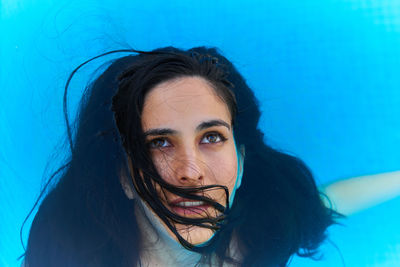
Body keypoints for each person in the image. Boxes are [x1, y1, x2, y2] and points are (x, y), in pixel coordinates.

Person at [21, 46, 399, 267]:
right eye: (159, 143)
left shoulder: (264, 232)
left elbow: (322, 204)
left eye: (212, 137)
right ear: (124, 179)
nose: (190, 172)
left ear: (242, 163)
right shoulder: (70, 256)